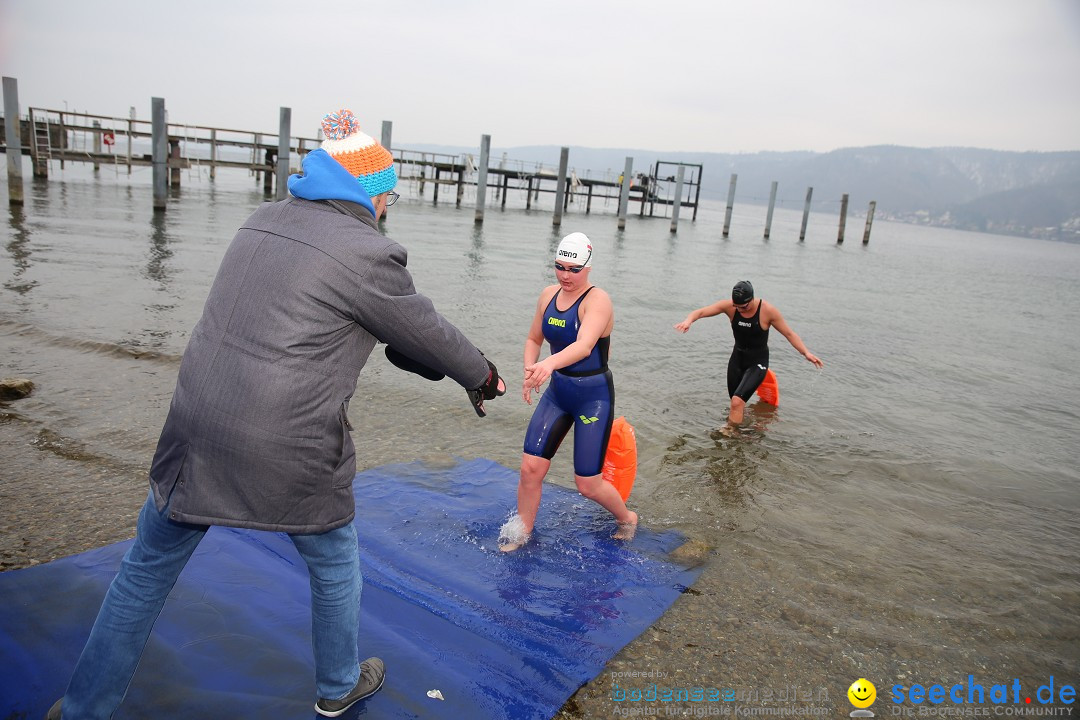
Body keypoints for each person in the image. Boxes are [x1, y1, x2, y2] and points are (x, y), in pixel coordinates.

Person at [46, 108, 505, 720]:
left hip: (194, 427)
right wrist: (483, 374)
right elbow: (426, 331)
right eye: (388, 191)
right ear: (366, 190)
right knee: (335, 559)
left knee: (144, 569)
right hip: (286, 445)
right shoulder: (368, 253)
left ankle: (82, 710)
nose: (391, 203)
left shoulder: (260, 219)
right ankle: (340, 687)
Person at [499, 232, 637, 552]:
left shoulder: (597, 300)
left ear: (588, 267)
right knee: (530, 468)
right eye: (559, 267)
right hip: (558, 392)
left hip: (593, 396)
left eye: (573, 269)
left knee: (587, 484)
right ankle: (523, 532)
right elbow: (534, 338)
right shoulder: (548, 295)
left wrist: (547, 365)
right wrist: (530, 369)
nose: (565, 275)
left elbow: (584, 345)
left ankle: (627, 517)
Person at [674, 280, 823, 430]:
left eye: (744, 306)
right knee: (735, 401)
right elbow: (700, 312)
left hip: (757, 362)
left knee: (737, 402)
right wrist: (688, 321)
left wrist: (806, 353)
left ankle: (731, 433)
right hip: (737, 359)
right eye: (736, 307)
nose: (740, 310)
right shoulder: (730, 307)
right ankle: (746, 430)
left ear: (752, 298)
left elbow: (789, 333)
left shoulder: (768, 311)